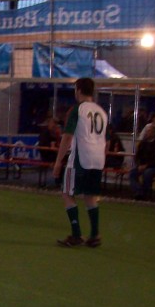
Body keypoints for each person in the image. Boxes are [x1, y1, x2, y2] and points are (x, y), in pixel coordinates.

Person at [52, 77, 107, 248]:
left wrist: (58, 161)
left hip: (80, 158)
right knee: (90, 196)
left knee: (67, 193)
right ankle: (95, 234)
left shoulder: (78, 110)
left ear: (79, 90)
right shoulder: (101, 112)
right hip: (98, 159)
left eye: (76, 89)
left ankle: (76, 234)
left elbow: (67, 136)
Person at [129, 124, 155, 200]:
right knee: (132, 173)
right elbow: (137, 156)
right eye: (147, 131)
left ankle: (143, 193)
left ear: (154, 133)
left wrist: (146, 165)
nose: (147, 133)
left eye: (149, 131)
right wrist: (139, 165)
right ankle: (139, 191)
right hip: (141, 165)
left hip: (153, 166)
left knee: (147, 173)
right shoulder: (143, 143)